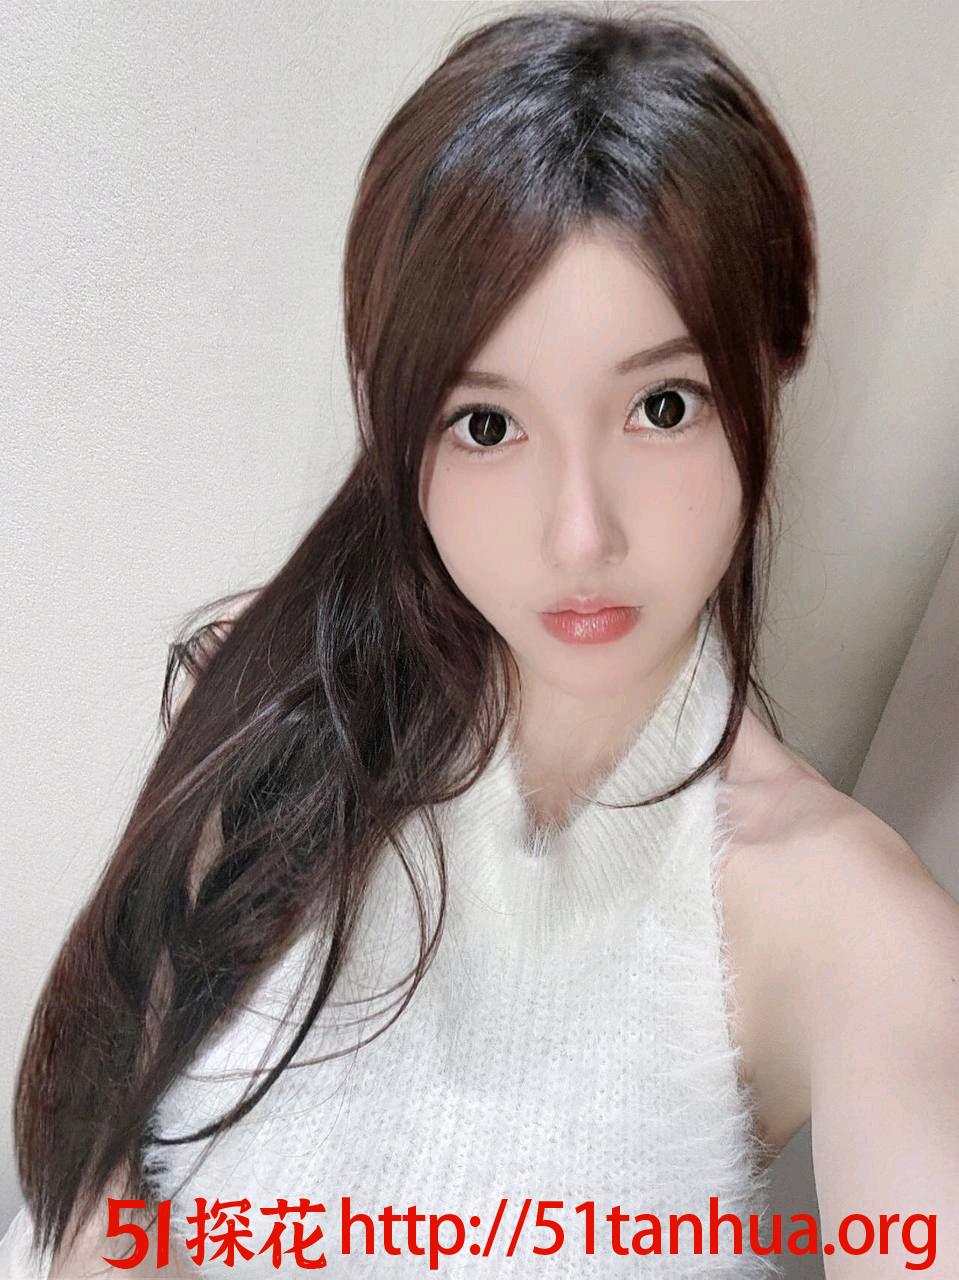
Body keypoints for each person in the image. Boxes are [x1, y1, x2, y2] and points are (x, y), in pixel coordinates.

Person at [3, 6, 958, 1278]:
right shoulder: (275, 689)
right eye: (486, 426)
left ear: (769, 365)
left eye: (660, 404)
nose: (578, 534)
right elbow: (98, 1176)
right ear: (397, 420)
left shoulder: (840, 920)